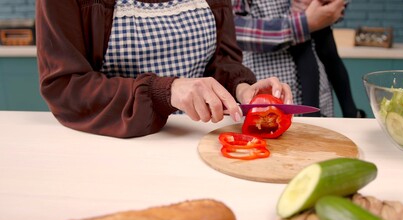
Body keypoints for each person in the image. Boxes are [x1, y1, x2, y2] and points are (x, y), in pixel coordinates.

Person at [35, 0, 292, 138]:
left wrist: (242, 88)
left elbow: (222, 61)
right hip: (114, 145)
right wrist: (165, 91)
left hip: (198, 139)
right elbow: (65, 87)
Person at [232, 0, 364, 117]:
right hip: (270, 100)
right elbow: (230, 29)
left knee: (327, 53)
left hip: (323, 100)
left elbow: (339, 8)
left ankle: (349, 112)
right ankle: (349, 112)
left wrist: (331, 7)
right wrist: (303, 24)